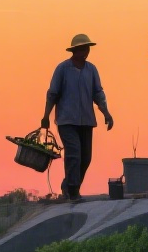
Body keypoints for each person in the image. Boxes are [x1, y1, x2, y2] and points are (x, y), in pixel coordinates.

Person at [42, 33, 114, 201]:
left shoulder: (91, 70)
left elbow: (98, 94)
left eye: (87, 48)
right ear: (75, 51)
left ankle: (69, 185)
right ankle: (73, 191)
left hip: (86, 121)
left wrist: (106, 113)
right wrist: (46, 115)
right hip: (67, 120)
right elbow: (52, 93)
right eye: (82, 48)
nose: (85, 51)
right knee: (74, 153)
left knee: (86, 157)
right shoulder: (63, 69)